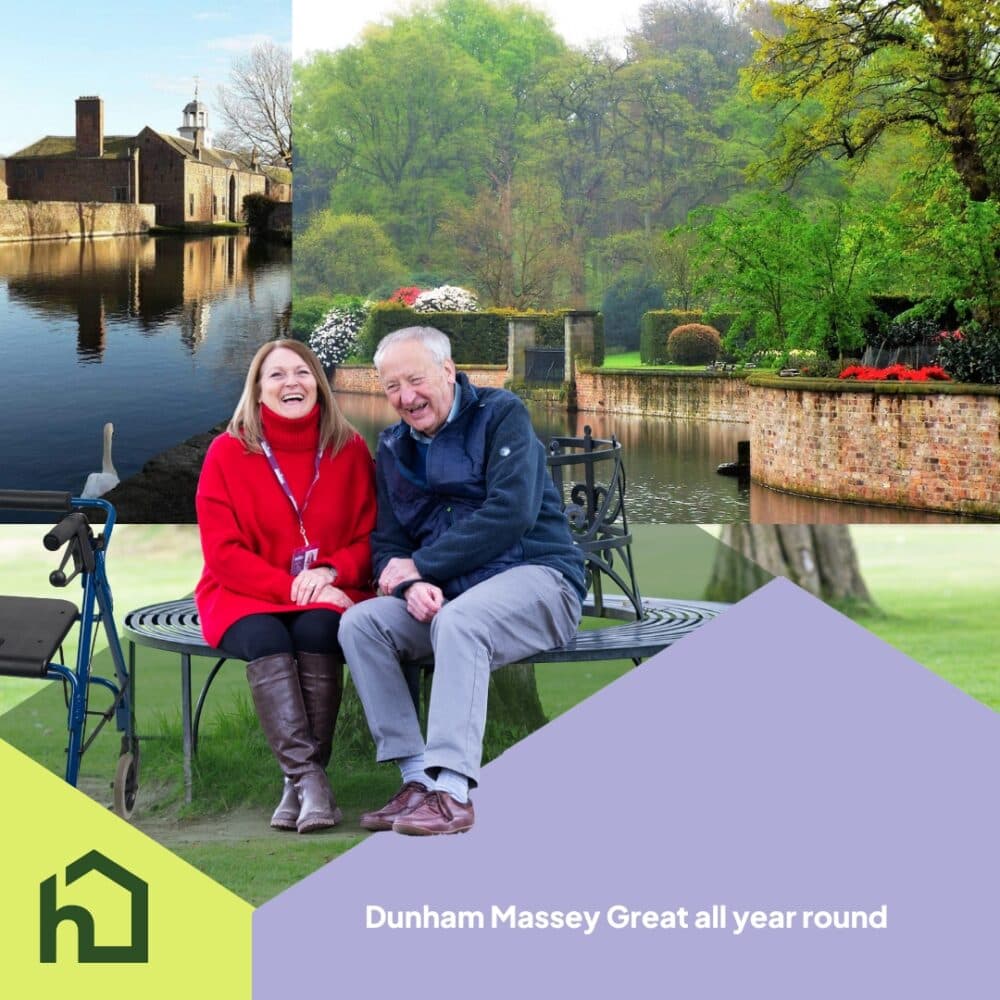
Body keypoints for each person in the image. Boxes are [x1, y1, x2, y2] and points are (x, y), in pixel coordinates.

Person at [338, 326, 587, 836]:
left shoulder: (502, 414)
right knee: (361, 624)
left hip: (539, 579)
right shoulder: (392, 446)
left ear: (448, 371)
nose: (406, 398)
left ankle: (452, 793)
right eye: (391, 387)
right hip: (452, 597)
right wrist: (409, 586)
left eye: (416, 380)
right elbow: (387, 545)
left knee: (460, 620)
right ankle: (415, 782)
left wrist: (426, 566)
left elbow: (510, 514)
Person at [195, 338, 376, 834]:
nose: (290, 383)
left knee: (321, 631)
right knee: (268, 638)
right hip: (242, 592)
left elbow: (370, 537)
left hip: (326, 590)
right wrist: (296, 586)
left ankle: (296, 786)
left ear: (317, 382)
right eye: (275, 375)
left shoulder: (351, 449)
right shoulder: (227, 452)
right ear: (257, 391)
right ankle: (309, 779)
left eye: (301, 372)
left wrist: (332, 573)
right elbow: (224, 555)